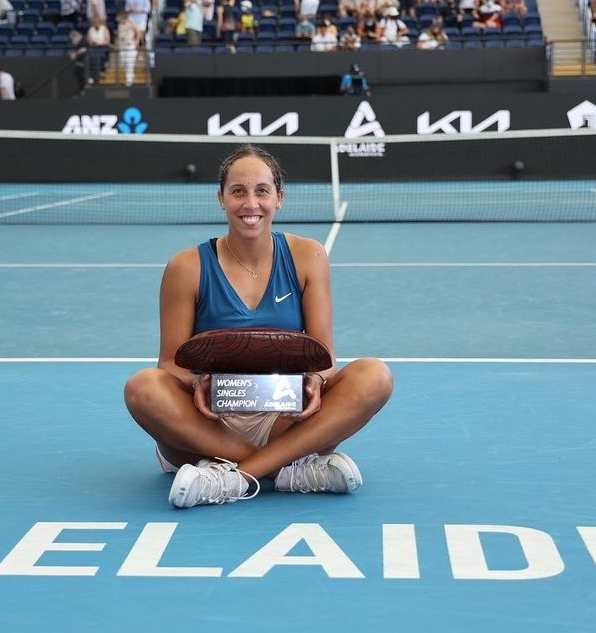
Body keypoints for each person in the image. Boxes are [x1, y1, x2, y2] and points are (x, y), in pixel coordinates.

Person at [124, 145, 393, 509]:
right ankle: (285, 470)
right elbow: (170, 365)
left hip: (285, 418)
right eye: (238, 191)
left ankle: (231, 478)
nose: (251, 203)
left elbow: (324, 359)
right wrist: (197, 385)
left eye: (262, 190)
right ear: (221, 198)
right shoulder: (186, 266)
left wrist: (316, 381)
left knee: (375, 375)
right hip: (207, 425)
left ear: (279, 198)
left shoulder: (308, 256)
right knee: (142, 388)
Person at [116, 10, 141, 87]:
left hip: (130, 46)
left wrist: (136, 41)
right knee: (123, 63)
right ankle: (132, 77)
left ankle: (129, 82)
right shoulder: (120, 25)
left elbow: (138, 31)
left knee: (129, 64)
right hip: (122, 46)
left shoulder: (131, 23)